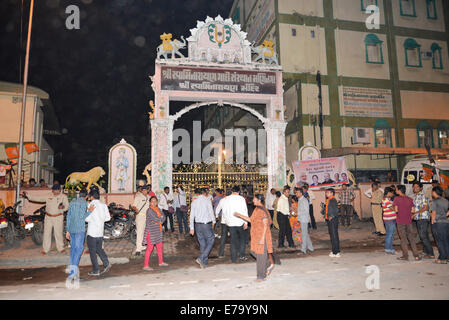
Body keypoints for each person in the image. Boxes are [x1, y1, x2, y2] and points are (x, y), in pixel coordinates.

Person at [234, 194, 274, 282]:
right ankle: (268, 264)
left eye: (254, 199)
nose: (253, 201)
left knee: (260, 256)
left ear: (259, 200)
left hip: (262, 236)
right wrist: (239, 215)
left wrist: (263, 238)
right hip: (256, 235)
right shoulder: (256, 209)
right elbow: (251, 220)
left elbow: (265, 225)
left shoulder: (262, 211)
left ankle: (261, 276)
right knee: (253, 252)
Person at [22, 185, 69, 255]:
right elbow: (38, 198)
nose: (57, 191)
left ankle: (61, 248)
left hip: (58, 217)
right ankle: (45, 249)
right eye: (55, 190)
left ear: (60, 190)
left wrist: (63, 207)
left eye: (58, 190)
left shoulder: (63, 197)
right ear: (52, 190)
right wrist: (28, 196)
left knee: (58, 233)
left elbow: (67, 206)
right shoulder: (48, 196)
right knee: (47, 233)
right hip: (48, 217)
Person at [218, 186, 249, 263]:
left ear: (232, 191)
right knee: (242, 239)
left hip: (230, 223)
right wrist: (246, 222)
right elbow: (245, 210)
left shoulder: (226, 199)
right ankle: (242, 255)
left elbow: (225, 211)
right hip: (240, 222)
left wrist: (227, 221)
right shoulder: (242, 199)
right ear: (239, 191)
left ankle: (233, 259)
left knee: (233, 241)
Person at [85, 189, 112, 276]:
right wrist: (100, 220)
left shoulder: (91, 205)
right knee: (99, 249)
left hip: (92, 232)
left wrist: (89, 213)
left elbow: (86, 219)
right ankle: (106, 263)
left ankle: (96, 270)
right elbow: (108, 218)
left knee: (93, 252)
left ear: (91, 197)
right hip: (100, 231)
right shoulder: (103, 205)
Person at [65, 189, 89, 280]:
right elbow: (82, 217)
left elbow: (68, 216)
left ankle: (72, 273)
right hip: (79, 229)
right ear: (86, 196)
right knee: (79, 250)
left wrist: (67, 230)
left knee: (73, 250)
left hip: (71, 229)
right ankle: (73, 273)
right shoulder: (83, 203)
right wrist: (89, 211)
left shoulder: (72, 202)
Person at [393, 185, 421, 261]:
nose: (395, 191)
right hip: (409, 221)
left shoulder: (396, 199)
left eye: (396, 190)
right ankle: (416, 255)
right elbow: (412, 211)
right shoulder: (410, 199)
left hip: (400, 221)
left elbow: (396, 210)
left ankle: (405, 256)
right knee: (411, 239)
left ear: (399, 190)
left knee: (403, 239)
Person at [190, 188, 216, 268]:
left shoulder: (194, 202)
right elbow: (211, 212)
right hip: (206, 224)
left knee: (202, 243)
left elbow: (192, 215)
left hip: (197, 225)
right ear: (204, 193)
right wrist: (214, 221)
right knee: (211, 240)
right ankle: (201, 258)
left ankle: (204, 263)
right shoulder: (207, 200)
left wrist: (191, 227)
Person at [143, 196, 168, 270]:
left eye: (155, 201)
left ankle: (161, 262)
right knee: (149, 248)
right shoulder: (149, 210)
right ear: (150, 203)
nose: (154, 203)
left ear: (157, 202)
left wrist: (160, 220)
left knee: (159, 247)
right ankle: (146, 265)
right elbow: (155, 218)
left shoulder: (158, 209)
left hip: (158, 231)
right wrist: (160, 220)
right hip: (151, 232)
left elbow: (164, 217)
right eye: (152, 201)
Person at [411, 182, 435, 259]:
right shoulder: (415, 196)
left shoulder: (423, 196)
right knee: (424, 235)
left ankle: (431, 254)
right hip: (418, 218)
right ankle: (425, 251)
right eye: (414, 187)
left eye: (417, 187)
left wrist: (416, 213)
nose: (415, 188)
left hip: (423, 218)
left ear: (421, 188)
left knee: (423, 236)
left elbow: (426, 207)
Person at [430, 186, 449, 264]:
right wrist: (445, 215)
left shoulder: (435, 201)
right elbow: (448, 212)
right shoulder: (446, 201)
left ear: (435, 192)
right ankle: (447, 256)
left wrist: (432, 222)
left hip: (438, 223)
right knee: (445, 240)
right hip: (445, 222)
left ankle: (442, 258)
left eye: (432, 192)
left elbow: (433, 213)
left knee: (439, 241)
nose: (432, 193)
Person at [131, 184, 150, 256]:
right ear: (142, 190)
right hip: (140, 217)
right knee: (140, 232)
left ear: (148, 190)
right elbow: (134, 206)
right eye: (143, 190)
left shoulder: (149, 197)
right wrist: (136, 210)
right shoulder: (138, 197)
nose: (145, 191)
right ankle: (138, 249)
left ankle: (141, 246)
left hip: (147, 217)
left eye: (146, 190)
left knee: (145, 232)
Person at [295, 187, 313, 255]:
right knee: (305, 234)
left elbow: (306, 211)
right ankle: (311, 248)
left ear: (300, 193)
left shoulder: (304, 200)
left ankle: (303, 250)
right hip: (301, 219)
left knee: (304, 235)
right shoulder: (300, 199)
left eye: (297, 192)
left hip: (304, 219)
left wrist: (298, 213)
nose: (296, 194)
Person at [325, 188, 341, 258]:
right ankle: (334, 250)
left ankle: (336, 252)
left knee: (334, 235)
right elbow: (330, 209)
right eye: (326, 192)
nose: (326, 194)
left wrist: (331, 216)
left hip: (333, 220)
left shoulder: (333, 200)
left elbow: (336, 210)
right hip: (330, 219)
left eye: (328, 192)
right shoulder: (329, 200)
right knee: (332, 235)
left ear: (332, 193)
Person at [382, 187, 397, 255]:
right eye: (392, 193)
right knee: (389, 234)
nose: (393, 194)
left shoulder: (388, 199)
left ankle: (390, 248)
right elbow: (393, 208)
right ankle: (388, 249)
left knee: (391, 234)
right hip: (389, 219)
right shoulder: (386, 200)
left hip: (391, 218)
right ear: (388, 193)